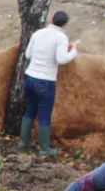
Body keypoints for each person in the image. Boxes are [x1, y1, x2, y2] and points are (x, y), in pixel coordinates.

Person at [19, 11, 79, 155]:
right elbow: (61, 59)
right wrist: (73, 52)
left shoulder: (37, 33)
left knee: (29, 111)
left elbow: (28, 55)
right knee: (44, 115)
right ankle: (44, 148)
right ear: (65, 25)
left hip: (29, 76)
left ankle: (24, 141)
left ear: (51, 20)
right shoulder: (61, 37)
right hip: (45, 81)